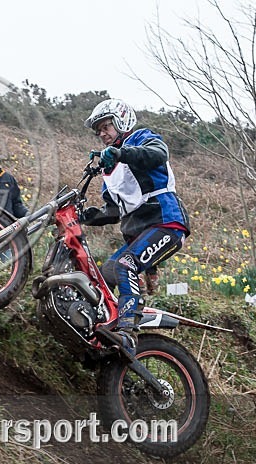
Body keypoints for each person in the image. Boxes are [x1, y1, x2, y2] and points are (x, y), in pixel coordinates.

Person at [80, 99, 190, 357]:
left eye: (106, 127)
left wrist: (121, 153)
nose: (102, 134)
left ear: (122, 121)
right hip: (138, 232)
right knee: (105, 273)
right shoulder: (110, 167)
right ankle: (101, 327)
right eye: (98, 131)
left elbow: (158, 154)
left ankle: (127, 330)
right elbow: (114, 211)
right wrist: (84, 216)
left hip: (166, 222)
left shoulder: (142, 138)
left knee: (124, 265)